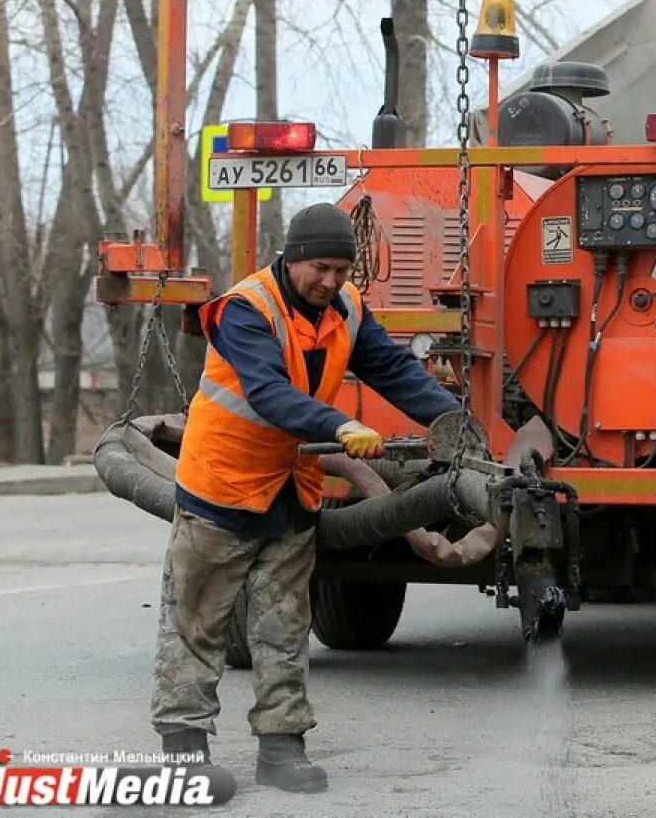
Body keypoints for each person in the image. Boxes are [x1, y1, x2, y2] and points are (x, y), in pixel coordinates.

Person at [151, 204, 462, 794]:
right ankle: (184, 752)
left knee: (286, 626)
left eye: (342, 271)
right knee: (196, 622)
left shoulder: (346, 309)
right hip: (223, 486)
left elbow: (393, 369)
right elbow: (268, 392)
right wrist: (340, 426)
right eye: (321, 268)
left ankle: (282, 750)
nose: (331, 282)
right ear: (293, 257)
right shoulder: (246, 309)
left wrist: (453, 419)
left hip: (292, 490)